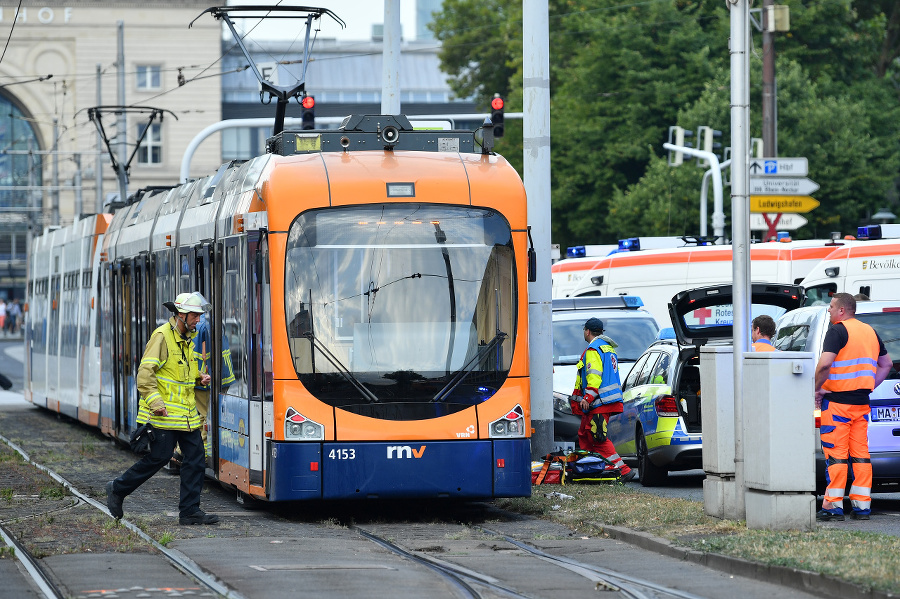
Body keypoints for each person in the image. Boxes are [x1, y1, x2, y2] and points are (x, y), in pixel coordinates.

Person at [106, 292, 220, 525]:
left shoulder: (187, 339)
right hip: (163, 416)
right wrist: (156, 403)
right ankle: (117, 489)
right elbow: (145, 374)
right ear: (180, 315)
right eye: (194, 316)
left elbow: (178, 373)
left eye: (199, 316)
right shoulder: (161, 336)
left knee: (196, 458)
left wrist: (199, 379)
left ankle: (189, 512)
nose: (198, 320)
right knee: (159, 458)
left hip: (185, 417)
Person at [814, 293, 893, 522]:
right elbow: (886, 364)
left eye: (830, 307)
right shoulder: (870, 331)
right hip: (861, 404)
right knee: (861, 456)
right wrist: (868, 386)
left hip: (837, 404)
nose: (828, 310)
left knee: (836, 456)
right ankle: (861, 507)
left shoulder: (837, 330)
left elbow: (825, 363)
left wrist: (816, 388)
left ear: (841, 310)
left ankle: (833, 507)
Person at [569, 317, 635, 482]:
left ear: (587, 331)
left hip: (599, 402)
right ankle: (592, 469)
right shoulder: (608, 349)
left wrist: (588, 396)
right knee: (585, 434)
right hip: (607, 401)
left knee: (597, 438)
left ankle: (623, 470)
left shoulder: (593, 350)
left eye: (584, 330)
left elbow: (594, 375)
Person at [191, 312, 235, 459]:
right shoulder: (212, 321)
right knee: (207, 416)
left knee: (203, 416)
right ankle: (201, 452)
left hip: (204, 379)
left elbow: (204, 356)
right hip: (221, 377)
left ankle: (201, 454)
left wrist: (199, 377)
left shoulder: (199, 325)